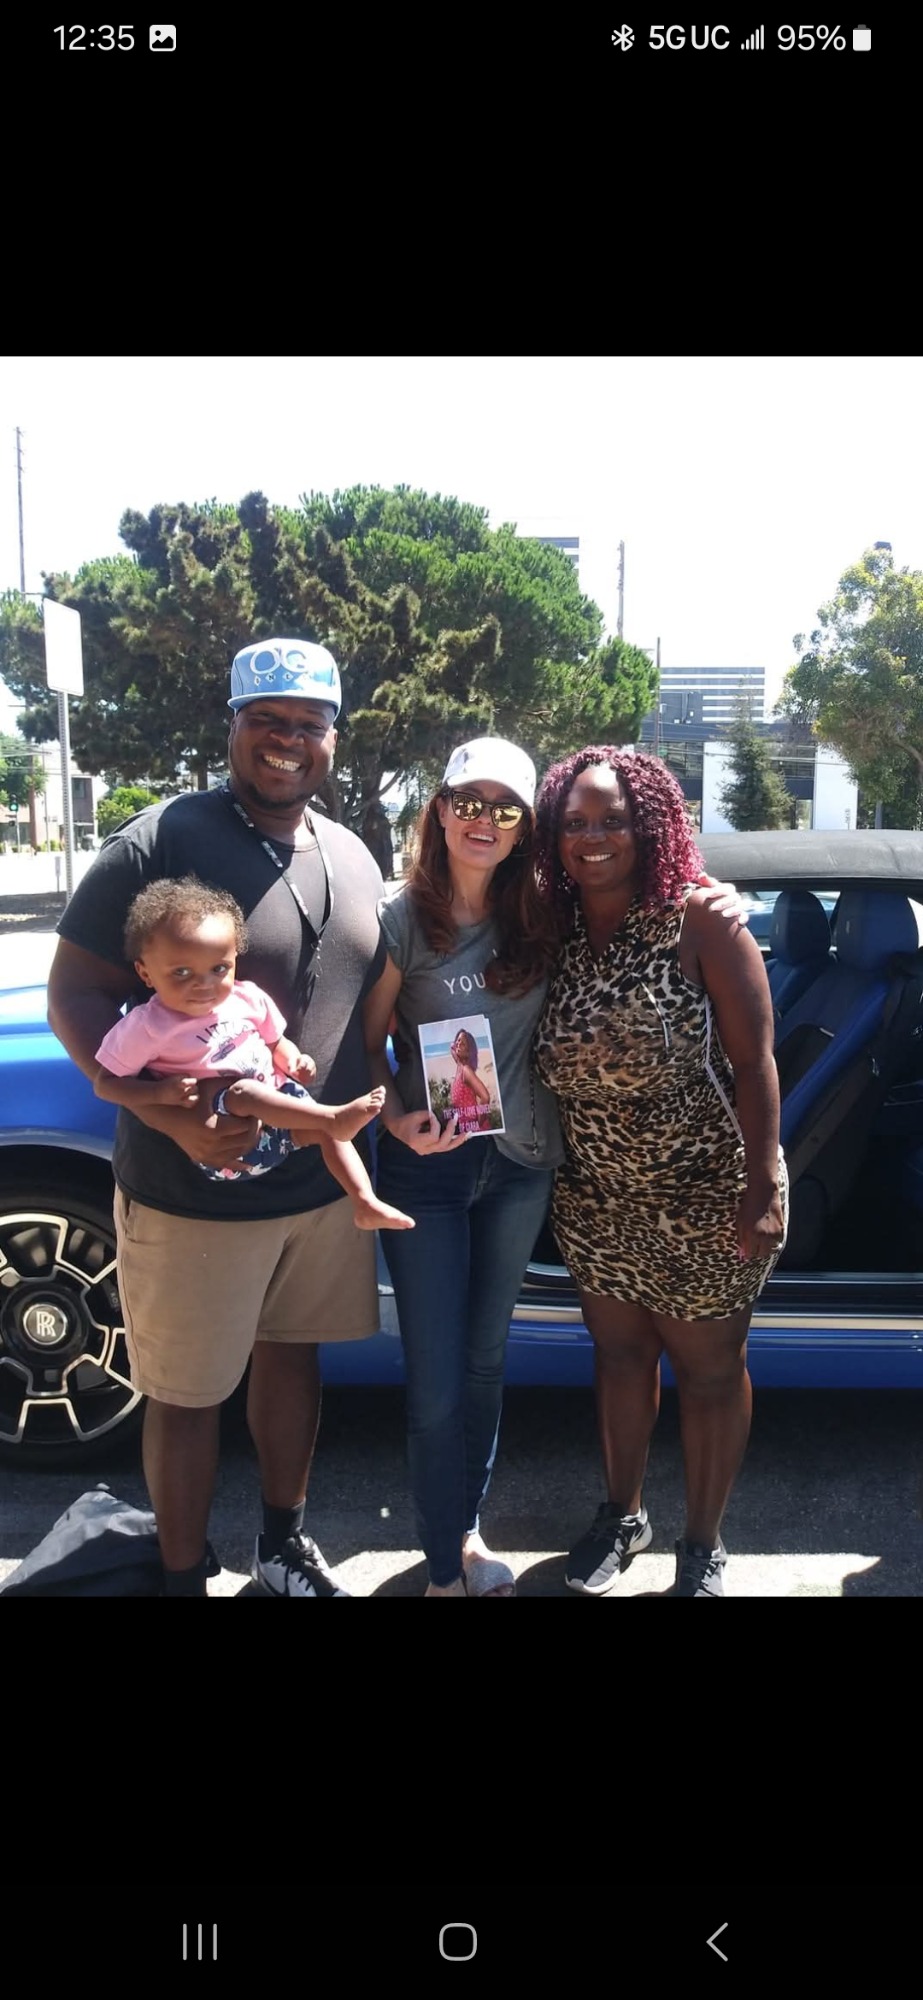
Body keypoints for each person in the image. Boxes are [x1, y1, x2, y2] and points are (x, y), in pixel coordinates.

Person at [363, 737, 749, 1598]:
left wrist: (712, 891)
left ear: (521, 828)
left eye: (505, 808)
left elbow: (645, 888)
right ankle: (446, 1564)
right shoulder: (412, 916)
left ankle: (478, 1536)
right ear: (439, 810)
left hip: (542, 1168)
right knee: (444, 1378)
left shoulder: (545, 912)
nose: (485, 819)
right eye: (468, 801)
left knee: (487, 1364)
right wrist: (393, 1115)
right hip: (462, 1174)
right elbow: (364, 1044)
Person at [47, 635, 389, 1599]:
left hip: (313, 1192)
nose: (287, 740)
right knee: (187, 1394)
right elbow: (76, 995)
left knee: (292, 1363)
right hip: (190, 1192)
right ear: (232, 725)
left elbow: (369, 1002)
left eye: (309, 724)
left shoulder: (351, 853)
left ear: (334, 736)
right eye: (265, 720)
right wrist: (159, 1111)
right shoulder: (158, 841)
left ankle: (282, 1547)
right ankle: (181, 1572)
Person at [532, 747, 788, 1599]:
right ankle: (622, 1515)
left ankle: (702, 1542)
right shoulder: (551, 927)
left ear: (650, 825)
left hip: (706, 1194)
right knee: (618, 1358)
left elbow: (754, 1064)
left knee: (709, 1374)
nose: (593, 837)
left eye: (613, 819)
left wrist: (761, 1187)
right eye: (574, 822)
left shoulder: (700, 921)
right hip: (596, 1197)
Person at [93, 873, 413, 1230]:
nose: (204, 984)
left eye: (219, 968)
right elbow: (106, 1084)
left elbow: (276, 1042)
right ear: (145, 973)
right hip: (224, 1143)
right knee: (245, 1092)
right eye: (181, 972)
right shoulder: (147, 1025)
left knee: (327, 1135)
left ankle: (365, 1202)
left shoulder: (246, 998)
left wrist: (294, 1060)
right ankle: (333, 1118)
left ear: (235, 959)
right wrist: (158, 1094)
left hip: (275, 1129)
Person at [448, 1028, 492, 1134]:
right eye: (458, 1040)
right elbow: (452, 1047)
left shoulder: (466, 1070)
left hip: (475, 1130)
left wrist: (478, 1125)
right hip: (465, 1128)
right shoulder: (459, 1065)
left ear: (468, 1052)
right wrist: (455, 1045)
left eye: (463, 1044)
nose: (459, 1044)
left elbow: (485, 1097)